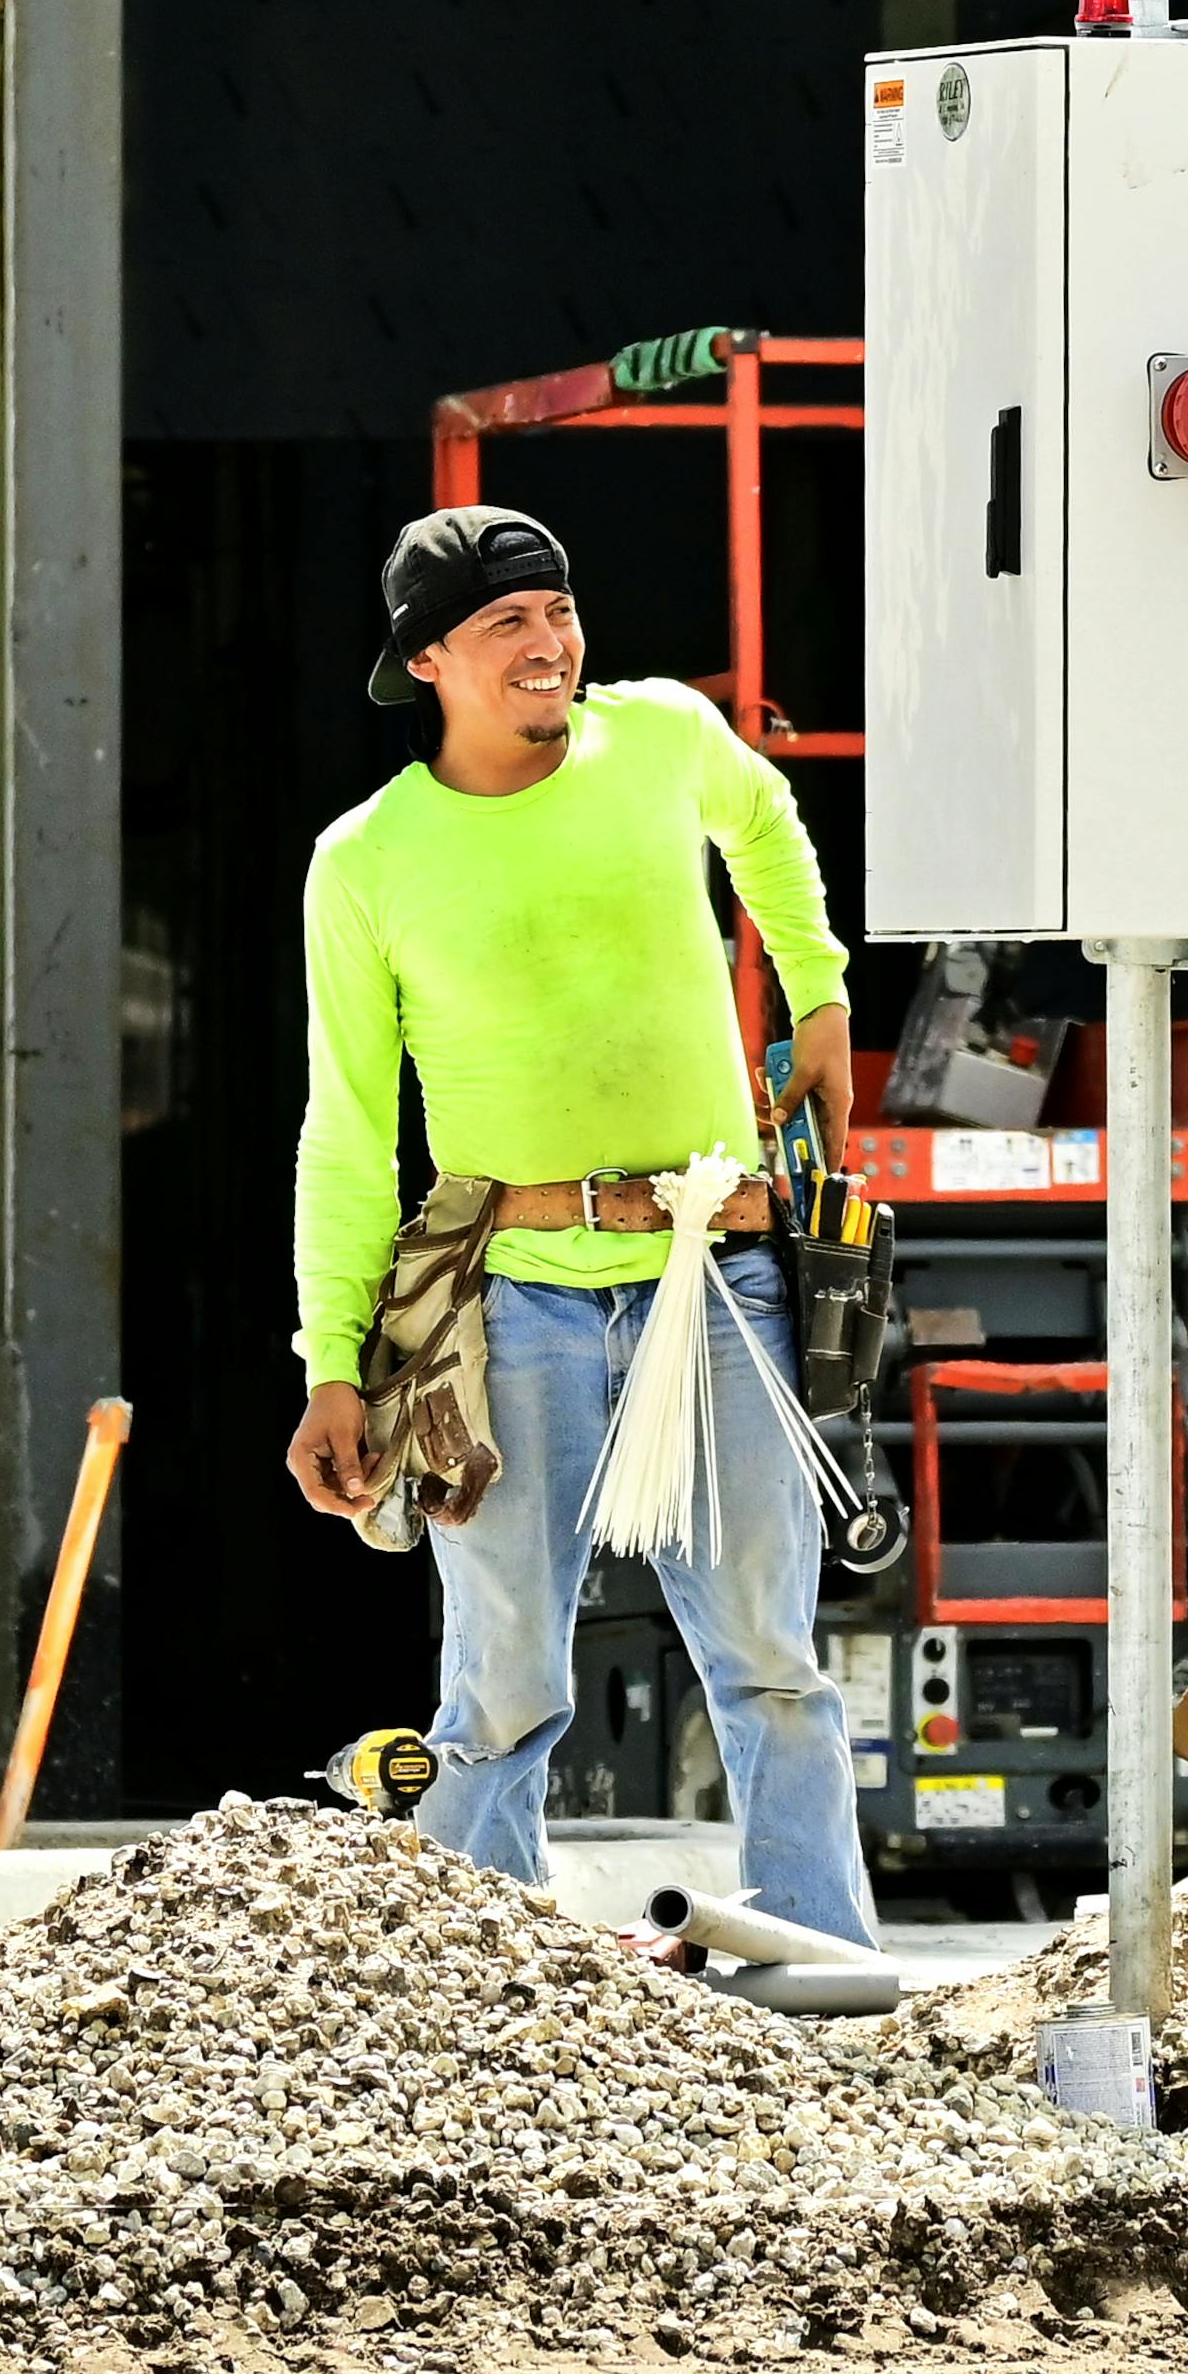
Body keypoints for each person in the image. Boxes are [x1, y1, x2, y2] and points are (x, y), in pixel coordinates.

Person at [284, 502, 877, 1939]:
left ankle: (829, 1967)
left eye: (559, 611)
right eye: (508, 625)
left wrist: (819, 996)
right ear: (426, 662)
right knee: (502, 1683)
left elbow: (767, 821)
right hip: (511, 1304)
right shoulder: (366, 863)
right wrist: (332, 1364)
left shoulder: (664, 738)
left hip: (715, 1277)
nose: (551, 645)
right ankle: (480, 1976)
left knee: (770, 1659)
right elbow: (352, 1136)